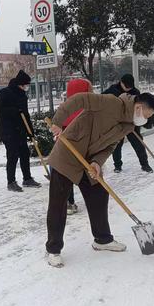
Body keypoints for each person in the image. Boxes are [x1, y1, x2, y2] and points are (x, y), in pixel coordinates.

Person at [45, 91, 154, 267]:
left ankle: (102, 239)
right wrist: (58, 122)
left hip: (88, 161)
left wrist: (97, 163)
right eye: (146, 115)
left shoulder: (128, 125)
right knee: (58, 203)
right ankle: (53, 249)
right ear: (138, 107)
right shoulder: (110, 103)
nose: (146, 120)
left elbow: (111, 145)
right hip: (68, 154)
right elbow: (79, 99)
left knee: (99, 194)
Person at [0, 70, 41, 192]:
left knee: (25, 154)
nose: (26, 87)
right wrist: (15, 110)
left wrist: (31, 133)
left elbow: (25, 116)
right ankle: (11, 182)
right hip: (8, 132)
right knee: (12, 156)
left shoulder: (22, 96)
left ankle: (27, 179)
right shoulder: (4, 93)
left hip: (20, 132)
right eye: (26, 85)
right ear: (20, 84)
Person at [103, 74, 153, 173]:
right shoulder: (112, 91)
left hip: (131, 122)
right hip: (118, 123)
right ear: (121, 82)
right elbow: (102, 102)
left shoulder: (135, 92)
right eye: (126, 86)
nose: (128, 89)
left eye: (130, 87)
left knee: (138, 143)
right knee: (116, 144)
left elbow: (139, 108)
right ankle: (117, 165)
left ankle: (145, 164)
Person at [61, 78, 93, 215]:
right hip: (83, 145)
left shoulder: (64, 109)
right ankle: (94, 201)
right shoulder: (87, 110)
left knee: (67, 172)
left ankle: (68, 202)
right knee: (88, 172)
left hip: (65, 146)